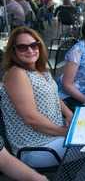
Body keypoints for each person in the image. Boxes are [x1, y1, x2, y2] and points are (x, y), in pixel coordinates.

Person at [0, 26, 73, 168]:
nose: (30, 50)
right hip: (36, 148)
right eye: (22, 47)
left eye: (34, 45)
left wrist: (69, 114)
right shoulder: (17, 74)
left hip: (53, 136)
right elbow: (31, 118)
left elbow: (53, 95)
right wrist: (66, 132)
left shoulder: (39, 69)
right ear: (13, 51)